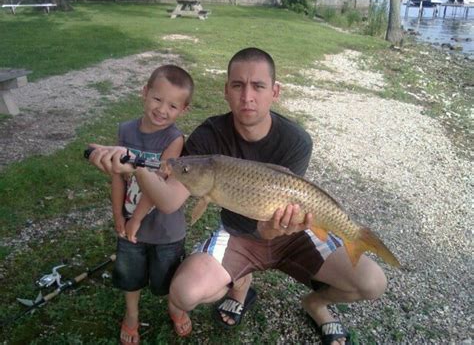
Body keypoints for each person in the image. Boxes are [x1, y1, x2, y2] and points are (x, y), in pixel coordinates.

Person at [89, 48, 387, 345]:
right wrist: (138, 166)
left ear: (275, 91)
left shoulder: (296, 140)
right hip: (239, 234)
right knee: (184, 293)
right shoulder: (209, 136)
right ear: (226, 91)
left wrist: (276, 229)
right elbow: (168, 201)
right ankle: (240, 282)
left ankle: (316, 303)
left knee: (373, 282)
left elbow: (294, 202)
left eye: (258, 86)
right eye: (237, 85)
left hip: (294, 231)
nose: (247, 97)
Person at [109, 64, 194, 345]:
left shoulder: (174, 140)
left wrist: (136, 219)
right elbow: (118, 177)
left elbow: (157, 186)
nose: (162, 110)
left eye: (172, 105)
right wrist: (119, 215)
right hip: (129, 222)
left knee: (167, 277)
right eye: (157, 99)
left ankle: (175, 307)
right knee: (129, 275)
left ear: (183, 110)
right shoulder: (125, 130)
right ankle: (131, 315)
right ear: (144, 93)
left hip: (166, 230)